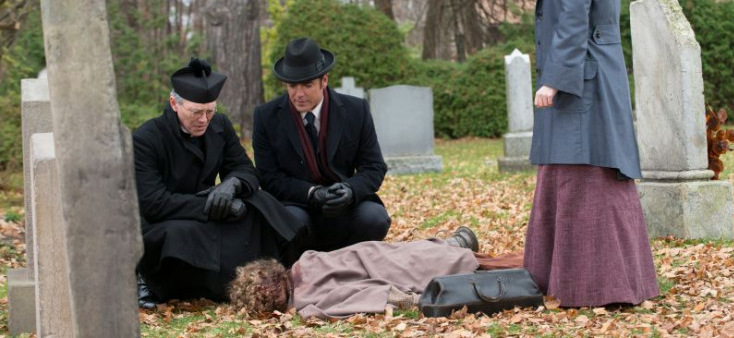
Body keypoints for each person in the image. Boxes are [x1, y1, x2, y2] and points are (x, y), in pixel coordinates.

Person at [523, 0, 659, 307]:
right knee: (583, 170)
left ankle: (595, 284)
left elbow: (573, 23)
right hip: (593, 77)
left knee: (584, 171)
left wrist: (554, 80)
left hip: (583, 82)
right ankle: (598, 278)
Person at [133, 58, 307, 308]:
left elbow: (245, 169)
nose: (204, 120)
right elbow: (154, 203)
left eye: (210, 111)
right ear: (174, 104)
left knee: (260, 202)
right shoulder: (146, 138)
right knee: (178, 235)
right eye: (196, 112)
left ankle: (275, 273)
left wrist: (232, 184)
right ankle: (153, 283)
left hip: (210, 212)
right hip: (169, 218)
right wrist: (212, 205)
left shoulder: (220, 125)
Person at [252, 37, 391, 251]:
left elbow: (374, 167)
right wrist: (312, 193)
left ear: (324, 80)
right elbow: (269, 177)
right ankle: (302, 266)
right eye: (292, 85)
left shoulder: (356, 110)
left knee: (374, 218)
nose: (299, 94)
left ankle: (354, 262)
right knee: (290, 222)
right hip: (298, 204)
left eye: (307, 85)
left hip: (346, 205)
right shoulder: (265, 116)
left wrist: (350, 190)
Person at [228, 227, 522, 319]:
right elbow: (359, 294)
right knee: (428, 260)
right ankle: (451, 247)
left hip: (383, 258)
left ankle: (449, 247)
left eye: (264, 283)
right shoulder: (307, 300)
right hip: (394, 266)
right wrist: (409, 299)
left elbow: (354, 258)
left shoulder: (305, 265)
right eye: (263, 291)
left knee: (407, 256)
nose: (267, 287)